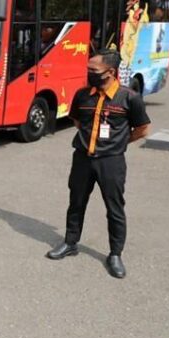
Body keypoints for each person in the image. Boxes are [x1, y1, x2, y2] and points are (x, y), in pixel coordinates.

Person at [47, 50, 151, 279]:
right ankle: (70, 242)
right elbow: (77, 120)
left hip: (111, 162)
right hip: (83, 159)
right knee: (76, 202)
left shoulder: (129, 97)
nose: (89, 74)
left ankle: (115, 254)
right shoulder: (83, 95)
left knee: (114, 208)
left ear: (110, 72)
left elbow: (142, 129)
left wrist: (117, 143)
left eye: (93, 71)